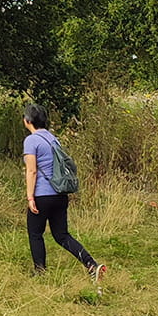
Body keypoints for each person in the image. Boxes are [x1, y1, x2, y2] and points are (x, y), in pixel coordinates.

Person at [23, 103, 105, 286]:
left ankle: (40, 272)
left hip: (42, 195)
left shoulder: (31, 140)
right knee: (62, 235)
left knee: (35, 233)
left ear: (27, 121)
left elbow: (32, 171)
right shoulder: (53, 138)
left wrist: (30, 197)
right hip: (60, 194)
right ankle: (91, 264)